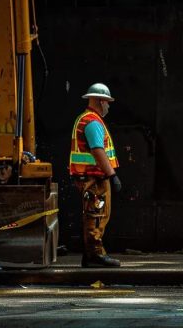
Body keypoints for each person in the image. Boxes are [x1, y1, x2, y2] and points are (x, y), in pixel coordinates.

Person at [69, 83, 123, 267]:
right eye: (107, 102)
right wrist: (112, 175)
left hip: (90, 177)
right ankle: (95, 254)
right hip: (95, 178)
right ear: (101, 101)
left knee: (94, 213)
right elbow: (98, 150)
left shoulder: (85, 119)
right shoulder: (92, 122)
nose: (108, 106)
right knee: (96, 215)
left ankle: (90, 254)